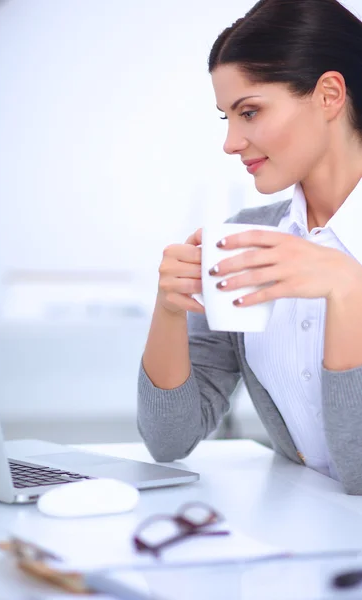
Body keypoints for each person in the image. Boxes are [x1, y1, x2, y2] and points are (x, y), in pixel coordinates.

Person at [137, 0, 362, 495]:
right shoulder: (247, 238)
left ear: (328, 95)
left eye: (251, 112)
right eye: (226, 117)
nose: (231, 142)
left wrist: (349, 290)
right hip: (304, 543)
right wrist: (170, 308)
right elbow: (169, 440)